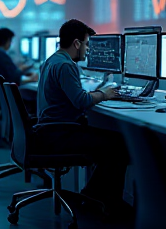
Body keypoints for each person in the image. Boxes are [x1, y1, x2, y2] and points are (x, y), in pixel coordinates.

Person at [33, 19, 127, 213]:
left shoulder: (52, 60)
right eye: (86, 44)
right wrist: (105, 94)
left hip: (49, 131)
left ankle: (93, 194)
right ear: (76, 43)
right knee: (119, 144)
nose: (87, 49)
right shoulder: (67, 66)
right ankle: (105, 202)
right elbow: (81, 101)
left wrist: (96, 92)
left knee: (109, 140)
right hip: (60, 134)